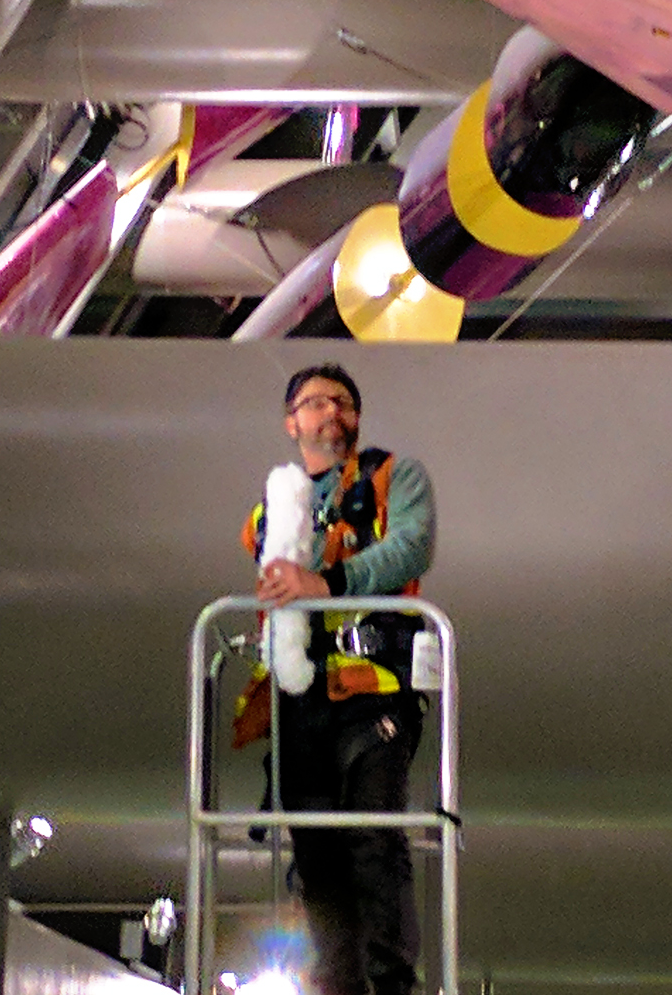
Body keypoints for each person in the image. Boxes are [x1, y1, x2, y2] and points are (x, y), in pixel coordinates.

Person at [239, 362, 436, 995]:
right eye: (317, 403)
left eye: (344, 402)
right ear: (290, 422)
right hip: (301, 700)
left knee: (373, 841)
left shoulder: (392, 478)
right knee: (317, 860)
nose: (333, 412)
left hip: (374, 688)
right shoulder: (269, 512)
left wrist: (327, 585)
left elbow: (411, 547)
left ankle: (390, 987)